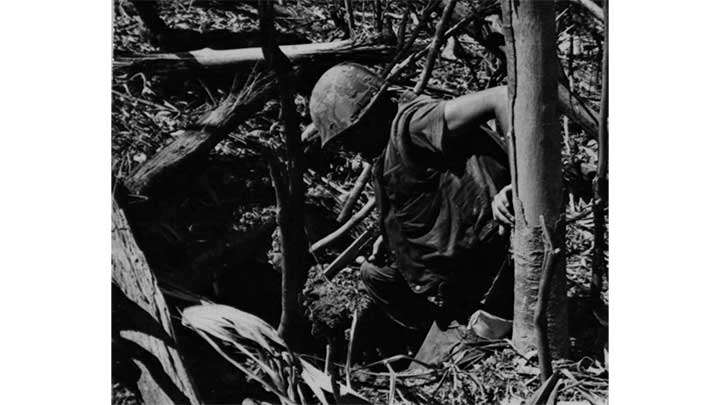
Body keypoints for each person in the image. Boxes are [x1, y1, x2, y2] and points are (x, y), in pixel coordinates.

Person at [309, 63, 517, 347]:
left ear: (368, 119)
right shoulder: (387, 148)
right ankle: (439, 328)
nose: (350, 149)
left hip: (488, 260)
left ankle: (468, 330)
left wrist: (518, 185)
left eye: (349, 138)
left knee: (431, 372)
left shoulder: (413, 123)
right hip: (450, 275)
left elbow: (501, 97)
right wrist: (393, 241)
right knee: (375, 276)